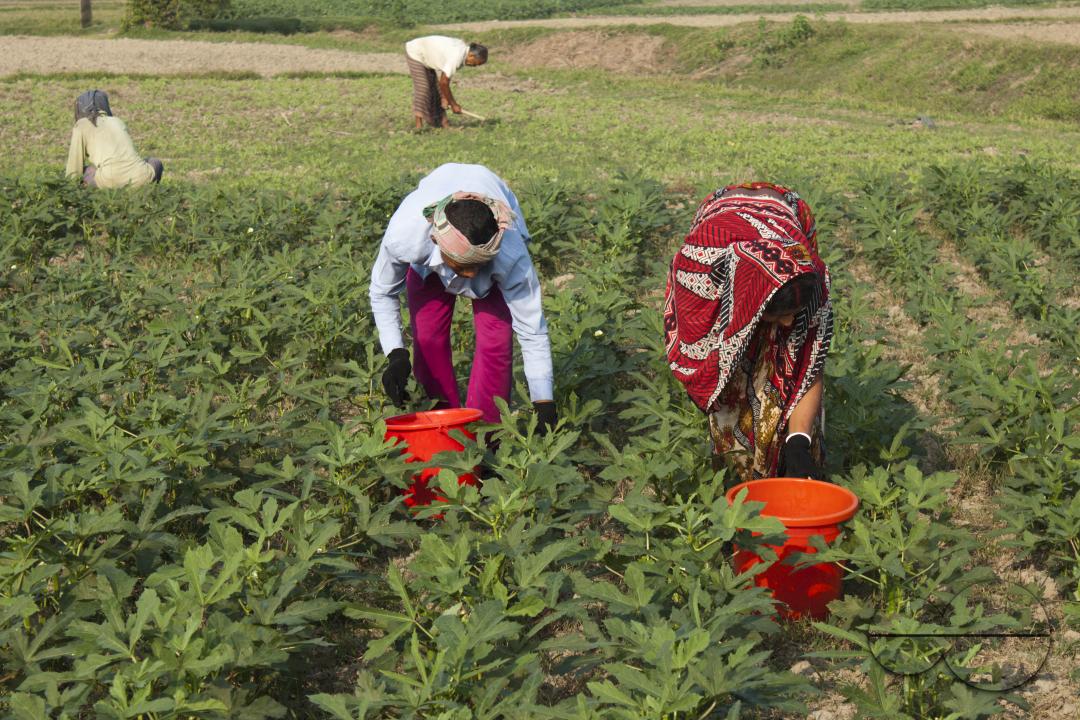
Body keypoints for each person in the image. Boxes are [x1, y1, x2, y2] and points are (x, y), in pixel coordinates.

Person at [663, 183, 833, 482]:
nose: (786, 323)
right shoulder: (699, 271)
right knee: (733, 390)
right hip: (722, 224)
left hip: (786, 217)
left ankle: (792, 457)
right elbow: (698, 360)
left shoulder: (811, 281)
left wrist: (799, 444)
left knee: (791, 357)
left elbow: (811, 364)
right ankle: (736, 478)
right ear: (747, 305)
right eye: (778, 315)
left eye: (793, 314)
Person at [370, 163, 556, 431]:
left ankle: (486, 435)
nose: (469, 275)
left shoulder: (510, 254)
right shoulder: (406, 237)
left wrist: (544, 401)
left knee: (496, 342)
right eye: (462, 266)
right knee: (428, 337)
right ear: (436, 242)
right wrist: (396, 354)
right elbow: (382, 291)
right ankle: (438, 425)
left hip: (492, 260)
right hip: (431, 257)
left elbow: (532, 329)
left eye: (477, 266)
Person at [65, 90, 163, 189]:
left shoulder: (81, 125)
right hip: (141, 178)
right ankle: (150, 194)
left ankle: (92, 200)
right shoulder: (117, 121)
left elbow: (74, 165)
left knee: (86, 171)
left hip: (109, 180)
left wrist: (69, 188)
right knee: (155, 162)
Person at [404, 36, 487, 129]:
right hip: (415, 52)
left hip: (426, 56)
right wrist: (453, 104)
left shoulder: (463, 53)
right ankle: (418, 127)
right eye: (476, 63)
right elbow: (443, 82)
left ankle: (443, 123)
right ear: (471, 55)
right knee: (423, 88)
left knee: (436, 90)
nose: (475, 66)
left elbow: (444, 80)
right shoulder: (457, 55)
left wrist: (445, 97)